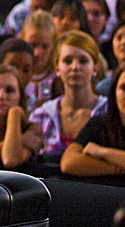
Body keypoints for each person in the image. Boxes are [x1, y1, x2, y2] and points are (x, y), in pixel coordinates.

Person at [60, 60, 125, 186]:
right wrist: (119, 169)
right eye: (124, 88)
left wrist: (102, 152)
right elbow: (68, 162)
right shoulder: (99, 124)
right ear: (114, 94)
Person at [29, 30, 108, 163]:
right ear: (57, 68)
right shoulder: (41, 116)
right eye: (68, 61)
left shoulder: (109, 111)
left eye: (83, 61)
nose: (75, 67)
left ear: (95, 67)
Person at [20, 10, 57, 110]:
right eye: (32, 45)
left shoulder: (58, 76)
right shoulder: (16, 76)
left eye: (44, 46)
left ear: (54, 45)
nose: (37, 53)